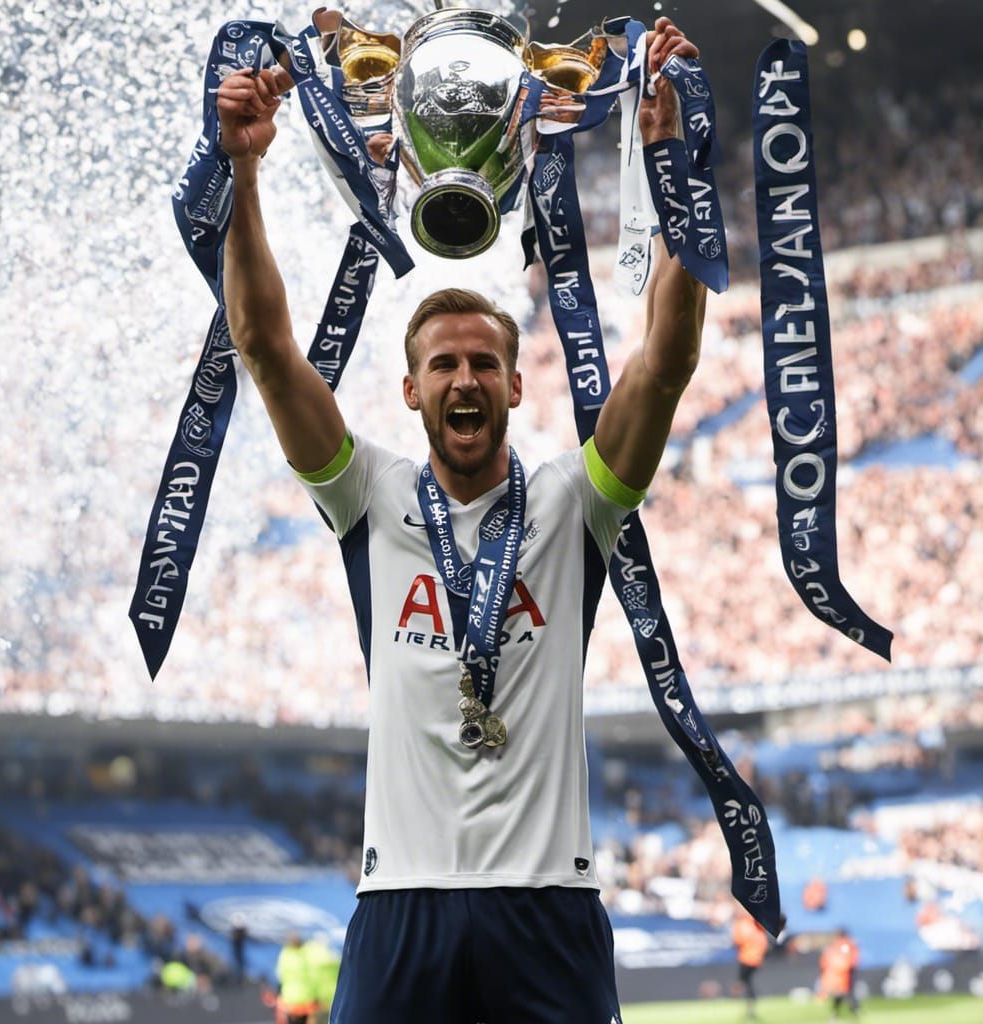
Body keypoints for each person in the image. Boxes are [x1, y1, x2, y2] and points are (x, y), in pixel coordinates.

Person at [217, 16, 702, 1023]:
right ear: (409, 391)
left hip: (548, 906)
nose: (465, 379)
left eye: (484, 363)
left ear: (516, 387)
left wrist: (672, 161)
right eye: (444, 365)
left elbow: (663, 364)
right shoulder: (367, 497)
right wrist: (243, 174)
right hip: (399, 905)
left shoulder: (576, 503)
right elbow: (264, 346)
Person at [732, 910, 769, 1020]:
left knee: (746, 983)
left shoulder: (741, 924)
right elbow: (764, 942)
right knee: (747, 982)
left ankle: (749, 1006)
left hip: (746, 958)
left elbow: (737, 941)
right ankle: (749, 1006)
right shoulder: (755, 924)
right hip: (757, 959)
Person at [819, 928, 860, 1021]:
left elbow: (848, 958)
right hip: (841, 973)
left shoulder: (844, 944)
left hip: (843, 973)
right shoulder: (845, 944)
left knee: (844, 993)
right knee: (842, 993)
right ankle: (851, 1011)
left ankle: (852, 1010)